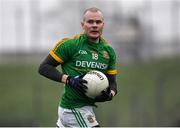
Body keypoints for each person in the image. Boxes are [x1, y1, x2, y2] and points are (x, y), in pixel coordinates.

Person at [38, 7, 118, 127]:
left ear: (103, 25)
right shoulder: (70, 45)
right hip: (73, 109)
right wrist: (69, 80)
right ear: (83, 24)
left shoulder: (109, 51)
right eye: (90, 22)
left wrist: (110, 94)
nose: (94, 25)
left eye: (98, 22)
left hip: (86, 108)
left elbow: (112, 83)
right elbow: (44, 67)